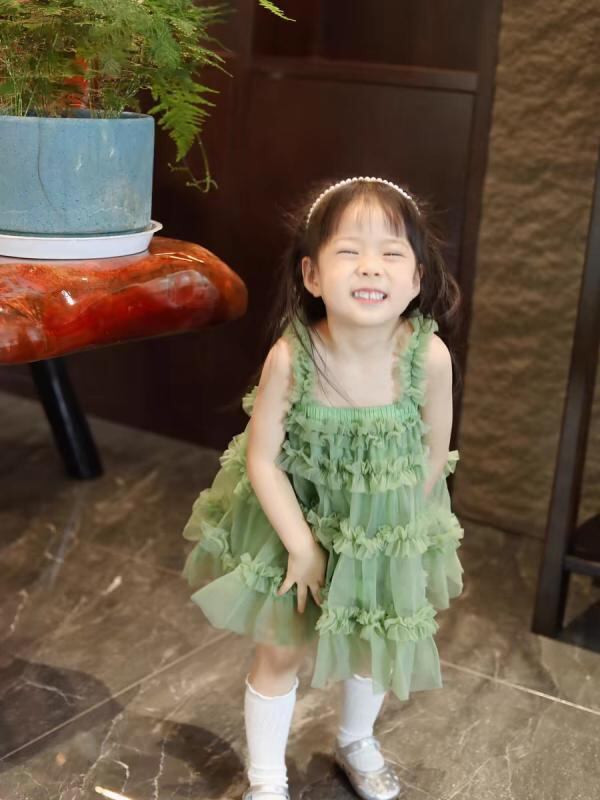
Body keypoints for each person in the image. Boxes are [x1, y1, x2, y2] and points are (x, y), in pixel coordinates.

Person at [181, 176, 465, 800]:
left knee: (372, 639)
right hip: (294, 521)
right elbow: (262, 461)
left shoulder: (429, 358)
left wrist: (393, 535)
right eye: (349, 251)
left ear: (416, 279)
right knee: (280, 649)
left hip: (382, 528)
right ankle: (266, 777)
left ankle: (356, 739)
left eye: (391, 253)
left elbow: (433, 452)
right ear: (311, 275)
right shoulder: (294, 357)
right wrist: (303, 547)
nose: (371, 266)